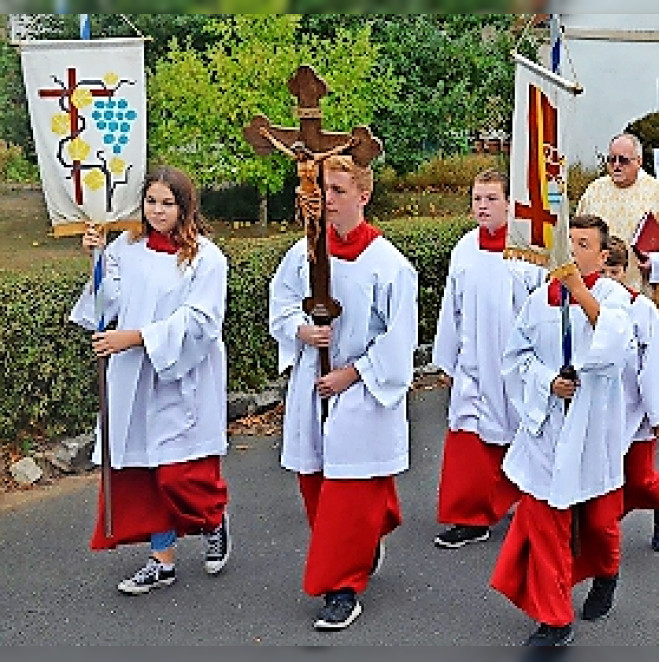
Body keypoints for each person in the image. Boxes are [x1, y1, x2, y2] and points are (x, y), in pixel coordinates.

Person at [268, 154, 417, 631]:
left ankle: (343, 587)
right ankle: (364, 538)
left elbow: (398, 340)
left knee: (349, 494)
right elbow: (282, 304)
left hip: (361, 389)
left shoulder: (389, 264)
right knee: (314, 481)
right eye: (322, 191)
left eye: (337, 191)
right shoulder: (305, 253)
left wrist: (352, 374)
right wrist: (301, 331)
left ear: (363, 196)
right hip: (315, 381)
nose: (326, 200)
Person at [71, 166, 231, 595]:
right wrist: (98, 258)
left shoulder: (206, 259)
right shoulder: (127, 246)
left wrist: (140, 337)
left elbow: (202, 321)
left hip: (182, 375)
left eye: (167, 203)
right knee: (143, 472)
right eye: (151, 202)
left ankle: (213, 518)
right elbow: (107, 306)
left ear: (185, 206)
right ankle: (162, 560)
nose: (157, 211)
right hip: (132, 376)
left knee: (179, 474)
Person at [490, 215, 634, 647]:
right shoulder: (539, 301)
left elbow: (614, 343)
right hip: (547, 422)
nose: (571, 253)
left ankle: (606, 574)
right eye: (568, 243)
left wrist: (578, 291)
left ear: (602, 254)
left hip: (593, 427)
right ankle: (555, 619)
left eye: (583, 245)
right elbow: (516, 357)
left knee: (600, 522)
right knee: (544, 517)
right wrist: (547, 381)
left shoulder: (611, 295)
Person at [432, 170, 545, 549]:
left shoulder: (528, 251)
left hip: (515, 363)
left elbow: (542, 310)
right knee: (468, 435)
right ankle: (469, 517)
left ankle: (530, 506)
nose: (482, 205)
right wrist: (447, 360)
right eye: (477, 198)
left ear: (510, 204)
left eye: (491, 198)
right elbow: (452, 308)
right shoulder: (464, 249)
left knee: (521, 433)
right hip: (473, 360)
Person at [604, 237, 659, 552]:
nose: (608, 279)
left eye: (614, 271)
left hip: (635, 408)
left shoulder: (641, 310)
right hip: (600, 410)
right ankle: (598, 535)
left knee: (639, 478)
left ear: (624, 272)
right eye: (603, 271)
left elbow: (653, 363)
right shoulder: (585, 306)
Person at [577, 133, 659, 357]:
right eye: (611, 160)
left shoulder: (657, 194)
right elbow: (576, 235)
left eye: (623, 160)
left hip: (639, 293)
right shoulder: (595, 191)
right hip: (597, 293)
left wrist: (658, 262)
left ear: (639, 161)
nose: (616, 166)